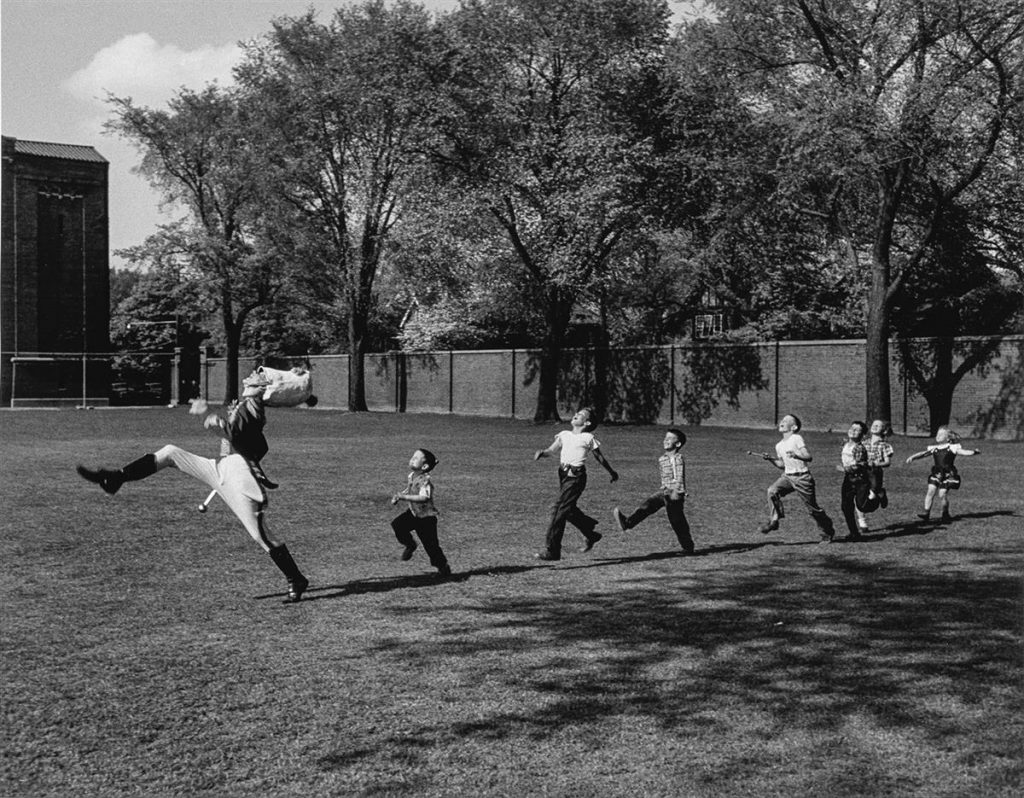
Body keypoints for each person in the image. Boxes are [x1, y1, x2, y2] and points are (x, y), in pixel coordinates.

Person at [76, 369, 310, 603]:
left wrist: (212, 418)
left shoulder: (253, 406)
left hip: (239, 474)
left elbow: (235, 432)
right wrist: (213, 417)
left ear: (263, 388)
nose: (249, 376)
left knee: (262, 536)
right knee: (170, 453)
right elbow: (253, 442)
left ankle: (295, 578)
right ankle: (115, 478)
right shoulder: (245, 405)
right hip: (221, 466)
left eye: (257, 377)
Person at [533, 407, 618, 561]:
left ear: (587, 422)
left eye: (580, 415)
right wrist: (542, 453)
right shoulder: (564, 434)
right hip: (563, 475)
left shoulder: (588, 437)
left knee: (558, 510)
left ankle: (552, 550)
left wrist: (611, 472)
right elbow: (552, 449)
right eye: (576, 413)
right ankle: (590, 532)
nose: (575, 415)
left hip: (576, 478)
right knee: (567, 510)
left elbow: (600, 457)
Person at [755, 413, 836, 543]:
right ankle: (774, 520)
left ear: (793, 427)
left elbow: (808, 457)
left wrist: (797, 456)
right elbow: (782, 465)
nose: (782, 421)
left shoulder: (796, 438)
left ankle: (827, 531)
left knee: (813, 509)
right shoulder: (779, 445)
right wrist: (770, 459)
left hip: (802, 478)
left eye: (786, 420)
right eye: (782, 419)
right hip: (787, 477)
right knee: (772, 491)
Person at [612, 428, 694, 554]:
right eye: (665, 438)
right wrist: (664, 485)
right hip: (664, 491)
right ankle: (627, 523)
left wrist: (678, 490)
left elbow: (679, 475)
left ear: (677, 444)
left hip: (674, 493)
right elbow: (665, 475)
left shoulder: (677, 458)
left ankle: (688, 547)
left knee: (677, 521)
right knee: (647, 505)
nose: (666, 440)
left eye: (670, 438)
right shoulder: (662, 459)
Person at [390, 448, 451, 577]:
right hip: (413, 513)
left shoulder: (425, 481)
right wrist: (401, 494)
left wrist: (404, 497)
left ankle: (443, 567)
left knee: (431, 546)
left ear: (424, 466)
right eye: (412, 456)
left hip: (426, 518)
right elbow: (410, 488)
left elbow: (424, 498)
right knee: (397, 525)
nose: (412, 459)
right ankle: (410, 544)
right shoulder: (411, 476)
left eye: (416, 458)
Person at [905, 426, 980, 523]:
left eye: (941, 434)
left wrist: (974, 452)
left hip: (948, 474)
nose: (938, 436)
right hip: (936, 473)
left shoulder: (952, 447)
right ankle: (926, 513)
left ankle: (945, 514)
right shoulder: (934, 448)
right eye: (937, 434)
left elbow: (963, 452)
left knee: (942, 494)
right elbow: (923, 454)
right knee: (930, 491)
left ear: (948, 438)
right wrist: (913, 457)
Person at [836, 420, 873, 540]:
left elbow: (861, 464)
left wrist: (845, 469)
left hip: (860, 479)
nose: (853, 431)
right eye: (852, 428)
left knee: (862, 506)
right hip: (848, 479)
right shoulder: (845, 443)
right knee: (846, 506)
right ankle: (854, 532)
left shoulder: (859, 448)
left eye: (857, 430)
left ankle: (879, 495)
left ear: (862, 435)